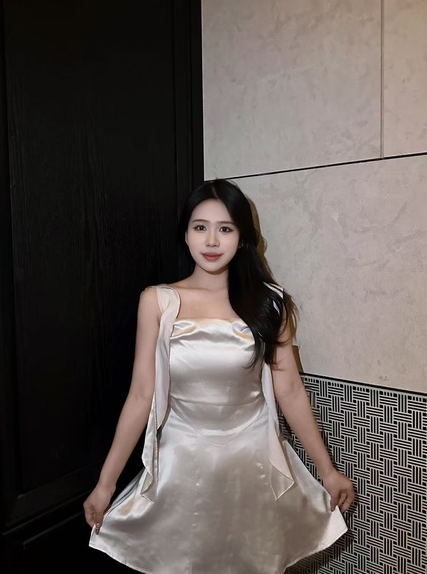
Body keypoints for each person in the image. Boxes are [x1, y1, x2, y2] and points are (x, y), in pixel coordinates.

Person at [83, 178, 355, 573]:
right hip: (181, 465)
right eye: (200, 227)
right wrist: (106, 483)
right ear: (186, 234)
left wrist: (327, 470)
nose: (211, 240)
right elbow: (141, 395)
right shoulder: (157, 301)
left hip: (253, 466)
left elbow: (291, 391)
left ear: (242, 238)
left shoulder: (270, 302)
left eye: (225, 228)